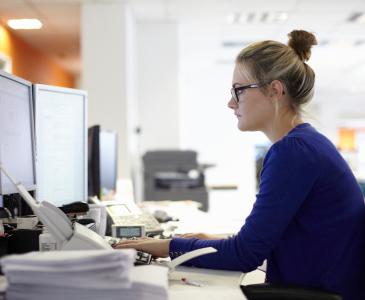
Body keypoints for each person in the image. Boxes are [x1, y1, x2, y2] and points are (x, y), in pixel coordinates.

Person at [115, 30, 365, 300]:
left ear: (275, 91)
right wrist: (209, 240)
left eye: (239, 90)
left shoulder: (293, 152)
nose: (231, 102)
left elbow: (244, 255)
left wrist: (167, 246)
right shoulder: (307, 143)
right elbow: (261, 241)